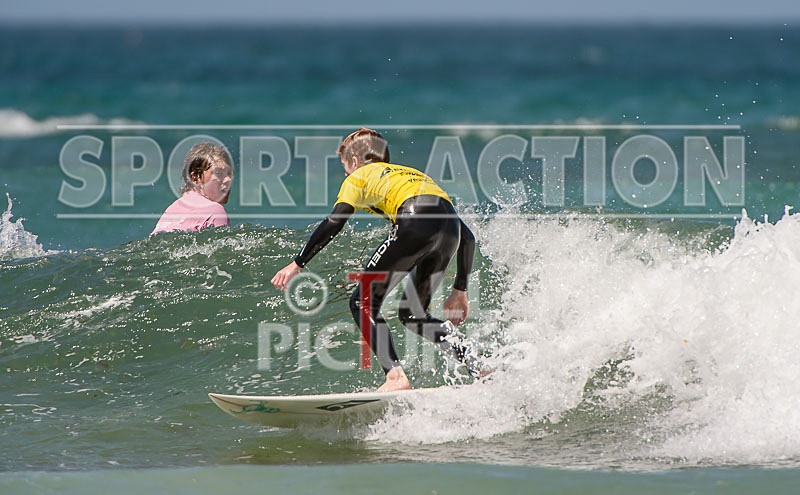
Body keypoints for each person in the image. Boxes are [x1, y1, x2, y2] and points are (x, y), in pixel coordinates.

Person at [272, 128, 486, 392]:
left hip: (414, 221)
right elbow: (468, 238)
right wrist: (459, 291)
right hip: (449, 229)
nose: (346, 173)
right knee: (413, 315)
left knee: (362, 302)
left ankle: (395, 377)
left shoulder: (359, 176)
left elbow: (335, 221)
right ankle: (478, 363)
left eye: (345, 166)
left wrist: (298, 263)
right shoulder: (413, 175)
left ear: (353, 161)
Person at [151, 143, 233, 235]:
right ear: (195, 177)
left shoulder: (172, 209)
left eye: (229, 174)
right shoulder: (215, 211)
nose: (228, 179)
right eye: (218, 173)